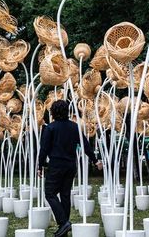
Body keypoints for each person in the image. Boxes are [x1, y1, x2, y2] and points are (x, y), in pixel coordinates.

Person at [38, 99, 102, 237]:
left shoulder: (50, 128)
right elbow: (85, 145)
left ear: (53, 113)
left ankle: (63, 222)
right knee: (65, 195)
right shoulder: (75, 127)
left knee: (50, 193)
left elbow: (44, 149)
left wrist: (40, 166)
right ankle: (63, 228)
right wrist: (95, 160)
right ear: (67, 112)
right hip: (70, 166)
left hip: (56, 166)